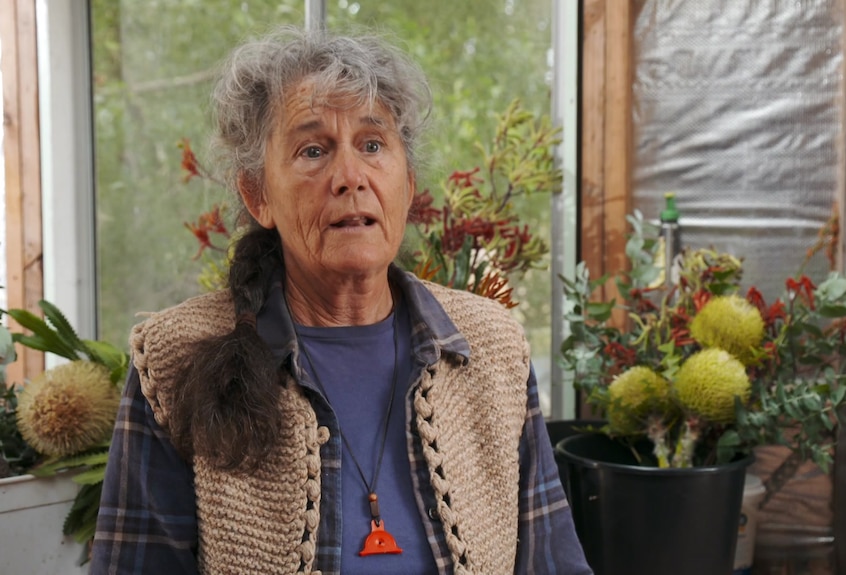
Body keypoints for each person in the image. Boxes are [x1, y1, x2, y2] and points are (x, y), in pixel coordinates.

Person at [90, 25, 592, 575]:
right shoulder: (175, 358)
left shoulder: (490, 349)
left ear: (408, 183)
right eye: (313, 150)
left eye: (373, 145)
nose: (350, 177)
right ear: (258, 195)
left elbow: (554, 564)